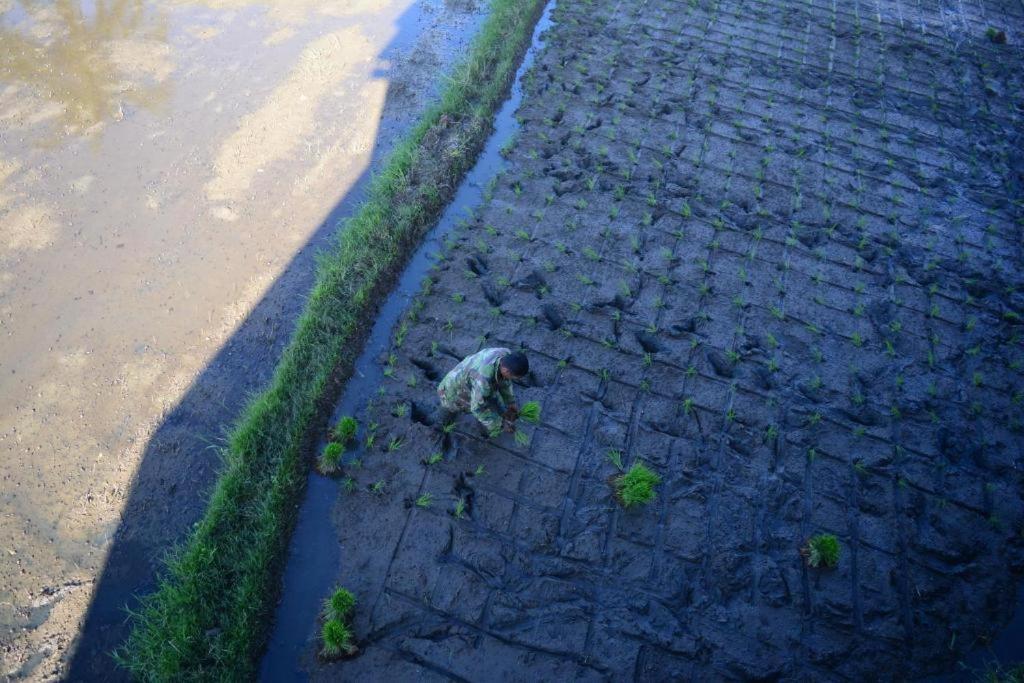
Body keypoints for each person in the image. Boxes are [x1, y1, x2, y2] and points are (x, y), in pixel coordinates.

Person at [437, 347, 528, 437]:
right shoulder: (484, 381)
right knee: (459, 406)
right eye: (514, 377)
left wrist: (510, 402)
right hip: (451, 392)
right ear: (506, 371)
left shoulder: (505, 354)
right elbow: (477, 409)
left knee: (487, 396)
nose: (512, 379)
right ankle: (442, 419)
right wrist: (500, 424)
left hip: (468, 374)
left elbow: (505, 381)